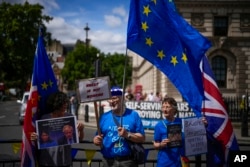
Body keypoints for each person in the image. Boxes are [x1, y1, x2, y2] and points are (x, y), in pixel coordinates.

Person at [93, 86, 145, 167]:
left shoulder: (133, 115)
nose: (111, 101)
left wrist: (127, 134)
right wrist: (96, 140)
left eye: (114, 98)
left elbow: (142, 138)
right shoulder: (104, 117)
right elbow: (98, 137)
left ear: (122, 99)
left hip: (127, 162)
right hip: (108, 162)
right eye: (109, 99)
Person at [31, 91, 84, 167]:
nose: (66, 105)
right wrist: (34, 137)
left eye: (66, 102)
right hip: (47, 160)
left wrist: (81, 130)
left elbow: (79, 139)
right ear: (56, 104)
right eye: (63, 103)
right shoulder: (45, 118)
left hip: (64, 160)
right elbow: (39, 138)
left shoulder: (70, 117)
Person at [153, 97, 207, 167]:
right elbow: (155, 145)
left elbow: (195, 126)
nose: (165, 109)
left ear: (174, 109)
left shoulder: (182, 122)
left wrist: (202, 123)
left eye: (167, 107)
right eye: (163, 107)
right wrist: (161, 145)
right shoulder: (159, 125)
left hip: (180, 162)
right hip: (164, 162)